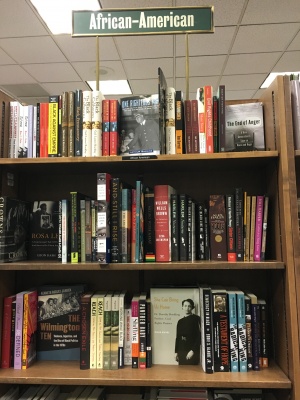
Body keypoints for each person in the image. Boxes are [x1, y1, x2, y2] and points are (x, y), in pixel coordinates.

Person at [175, 298, 201, 365]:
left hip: (191, 350)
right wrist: (176, 352)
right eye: (185, 306)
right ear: (182, 307)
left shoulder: (197, 319)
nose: (187, 308)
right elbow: (178, 338)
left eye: (189, 306)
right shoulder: (180, 321)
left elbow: (199, 336)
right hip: (181, 350)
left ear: (192, 308)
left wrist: (193, 351)